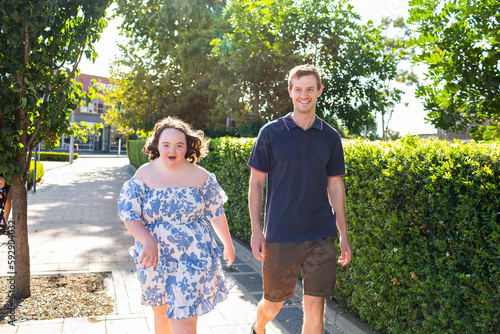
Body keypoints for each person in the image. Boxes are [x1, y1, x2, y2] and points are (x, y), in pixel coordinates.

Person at [247, 64, 352, 334]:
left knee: (316, 307)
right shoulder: (270, 133)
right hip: (281, 234)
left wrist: (343, 234)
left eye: (310, 89)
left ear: (319, 92)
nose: (304, 95)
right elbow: (256, 183)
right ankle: (258, 327)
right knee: (273, 304)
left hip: (321, 234)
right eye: (298, 89)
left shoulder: (330, 137)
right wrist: (257, 230)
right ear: (290, 92)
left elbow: (336, 187)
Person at [118, 116, 235, 334]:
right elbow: (129, 214)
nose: (173, 150)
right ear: (157, 146)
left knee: (185, 320)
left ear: (187, 147)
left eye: (179, 145)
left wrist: (228, 244)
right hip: (155, 257)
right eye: (166, 145)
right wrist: (146, 239)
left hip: (193, 257)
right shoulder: (143, 174)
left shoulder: (202, 177)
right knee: (161, 315)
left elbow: (216, 213)